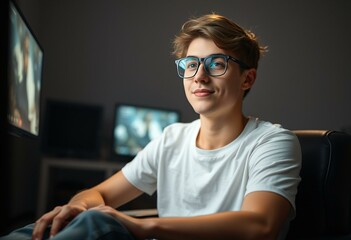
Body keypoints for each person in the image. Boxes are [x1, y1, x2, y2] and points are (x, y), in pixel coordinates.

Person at [1, 13, 301, 240]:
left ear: (247, 79)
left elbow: (260, 225)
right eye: (191, 64)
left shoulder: (273, 142)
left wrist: (143, 226)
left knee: (99, 224)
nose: (199, 76)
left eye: (216, 63)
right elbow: (99, 194)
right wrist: (78, 207)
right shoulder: (172, 138)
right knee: (50, 225)